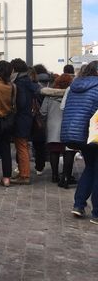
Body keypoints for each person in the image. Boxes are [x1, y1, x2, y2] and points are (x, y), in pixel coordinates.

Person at [61, 61, 98, 222]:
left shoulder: (74, 87)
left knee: (90, 168)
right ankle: (96, 213)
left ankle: (79, 204)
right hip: (94, 134)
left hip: (78, 134)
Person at [40, 74, 74, 185]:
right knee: (68, 152)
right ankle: (66, 175)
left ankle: (54, 175)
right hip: (68, 127)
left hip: (53, 128)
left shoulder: (49, 95)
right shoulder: (72, 94)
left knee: (54, 151)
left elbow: (43, 111)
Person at [10, 58, 40, 184]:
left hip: (21, 118)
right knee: (22, 145)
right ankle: (23, 172)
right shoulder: (27, 81)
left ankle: (25, 175)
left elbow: (21, 102)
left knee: (22, 146)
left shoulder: (20, 82)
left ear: (14, 70)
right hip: (26, 118)